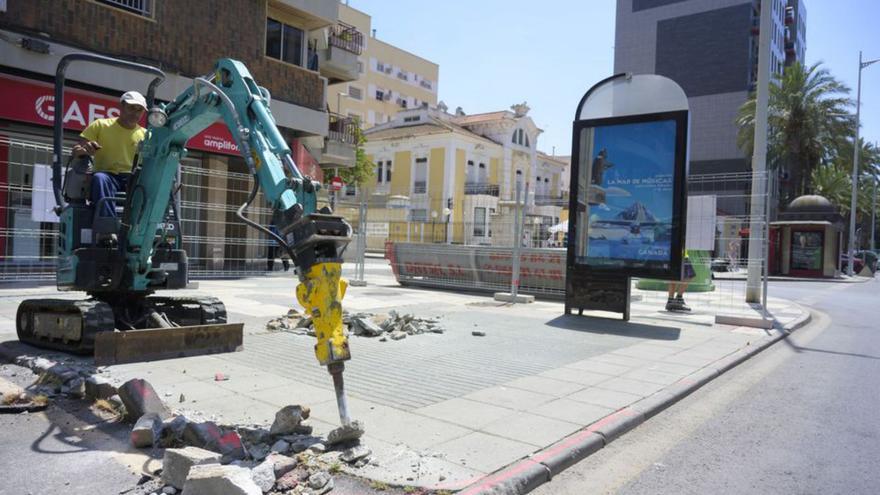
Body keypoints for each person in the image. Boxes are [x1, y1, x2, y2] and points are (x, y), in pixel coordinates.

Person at [73, 91, 148, 225]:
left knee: (154, 185)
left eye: (139, 110)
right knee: (99, 178)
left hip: (133, 179)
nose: (135, 113)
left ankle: (146, 227)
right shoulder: (100, 125)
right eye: (131, 108)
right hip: (108, 176)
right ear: (122, 106)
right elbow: (77, 150)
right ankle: (107, 227)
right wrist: (85, 149)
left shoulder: (146, 135)